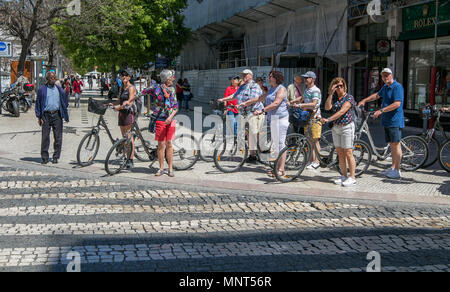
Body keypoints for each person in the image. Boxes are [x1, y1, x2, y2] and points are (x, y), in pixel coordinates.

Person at [358, 68, 405, 179]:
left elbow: (397, 104)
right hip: (387, 120)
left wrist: (381, 111)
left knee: (396, 145)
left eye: (387, 75)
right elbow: (376, 95)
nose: (385, 77)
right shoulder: (385, 87)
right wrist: (365, 100)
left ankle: (397, 170)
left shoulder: (397, 87)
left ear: (391, 75)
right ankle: (393, 167)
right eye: (383, 76)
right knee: (392, 146)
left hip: (395, 120)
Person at [241, 70, 289, 176]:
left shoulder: (282, 89)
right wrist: (246, 102)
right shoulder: (272, 89)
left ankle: (281, 169)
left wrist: (262, 110)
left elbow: (276, 103)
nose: (269, 78)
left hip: (281, 119)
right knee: (275, 145)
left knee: (281, 144)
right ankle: (276, 168)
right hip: (273, 119)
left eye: (271, 76)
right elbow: (260, 98)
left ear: (276, 78)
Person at [218, 69, 265, 163]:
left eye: (245, 75)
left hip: (254, 112)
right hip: (245, 113)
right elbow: (234, 95)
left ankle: (258, 154)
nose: (243, 76)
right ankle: (252, 156)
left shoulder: (254, 86)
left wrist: (243, 103)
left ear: (250, 76)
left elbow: (254, 99)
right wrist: (223, 99)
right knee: (248, 134)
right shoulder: (243, 86)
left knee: (253, 134)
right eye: (242, 75)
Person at [321, 77, 357, 187]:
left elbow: (342, 111)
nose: (339, 88)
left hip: (346, 127)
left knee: (348, 152)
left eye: (341, 85)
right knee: (340, 152)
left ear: (344, 86)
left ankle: (352, 177)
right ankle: (344, 175)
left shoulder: (349, 97)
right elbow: (327, 108)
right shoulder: (335, 98)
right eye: (337, 86)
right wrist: (331, 94)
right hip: (336, 128)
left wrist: (328, 119)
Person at [144, 69, 178, 177]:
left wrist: (170, 117)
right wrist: (131, 100)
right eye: (172, 77)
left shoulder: (172, 90)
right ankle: (161, 168)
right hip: (160, 119)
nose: (173, 79)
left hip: (170, 120)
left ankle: (170, 168)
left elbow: (175, 107)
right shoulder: (156, 88)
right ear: (167, 79)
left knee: (169, 144)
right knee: (161, 145)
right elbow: (142, 92)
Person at [35, 72, 69, 164]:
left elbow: (65, 100)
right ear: (47, 79)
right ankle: (45, 157)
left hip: (57, 115)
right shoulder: (42, 89)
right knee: (45, 137)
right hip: (46, 115)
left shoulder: (59, 89)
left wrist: (64, 108)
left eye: (54, 77)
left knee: (58, 137)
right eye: (51, 77)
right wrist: (39, 116)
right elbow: (38, 103)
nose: (53, 79)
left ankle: (56, 156)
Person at [293, 71, 322, 170]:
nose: (305, 79)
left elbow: (314, 104)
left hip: (315, 118)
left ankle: (317, 161)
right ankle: (311, 161)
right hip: (307, 117)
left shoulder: (315, 90)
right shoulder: (307, 90)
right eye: (304, 78)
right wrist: (293, 101)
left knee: (315, 140)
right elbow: (303, 98)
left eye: (307, 78)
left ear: (312, 79)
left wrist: (300, 105)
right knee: (309, 141)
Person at [108, 70, 137, 169]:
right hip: (121, 114)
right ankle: (126, 156)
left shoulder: (131, 88)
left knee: (129, 137)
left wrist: (119, 107)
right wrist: (112, 104)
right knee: (124, 137)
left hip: (128, 113)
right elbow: (119, 100)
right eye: (122, 75)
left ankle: (131, 159)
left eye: (125, 75)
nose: (123, 77)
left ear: (129, 77)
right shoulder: (121, 87)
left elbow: (130, 102)